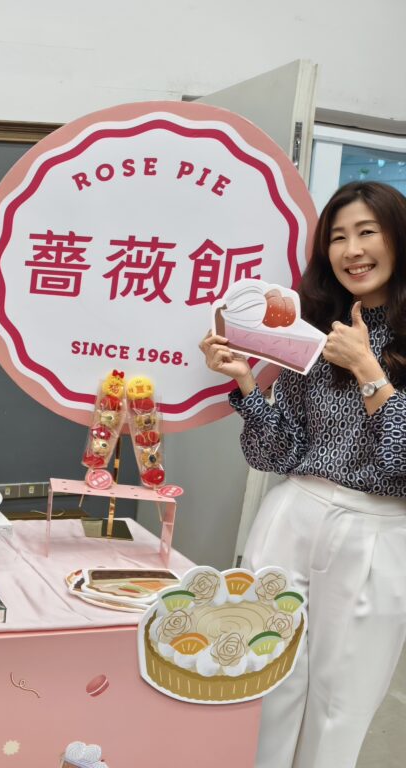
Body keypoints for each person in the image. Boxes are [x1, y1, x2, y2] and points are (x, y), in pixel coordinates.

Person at [200, 180, 406, 768]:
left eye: (367, 232)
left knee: (343, 703)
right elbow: (276, 453)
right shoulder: (314, 329)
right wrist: (246, 382)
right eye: (338, 238)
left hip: (378, 529)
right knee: (264, 675)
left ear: (398, 239)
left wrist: (368, 369)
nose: (352, 250)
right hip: (293, 514)